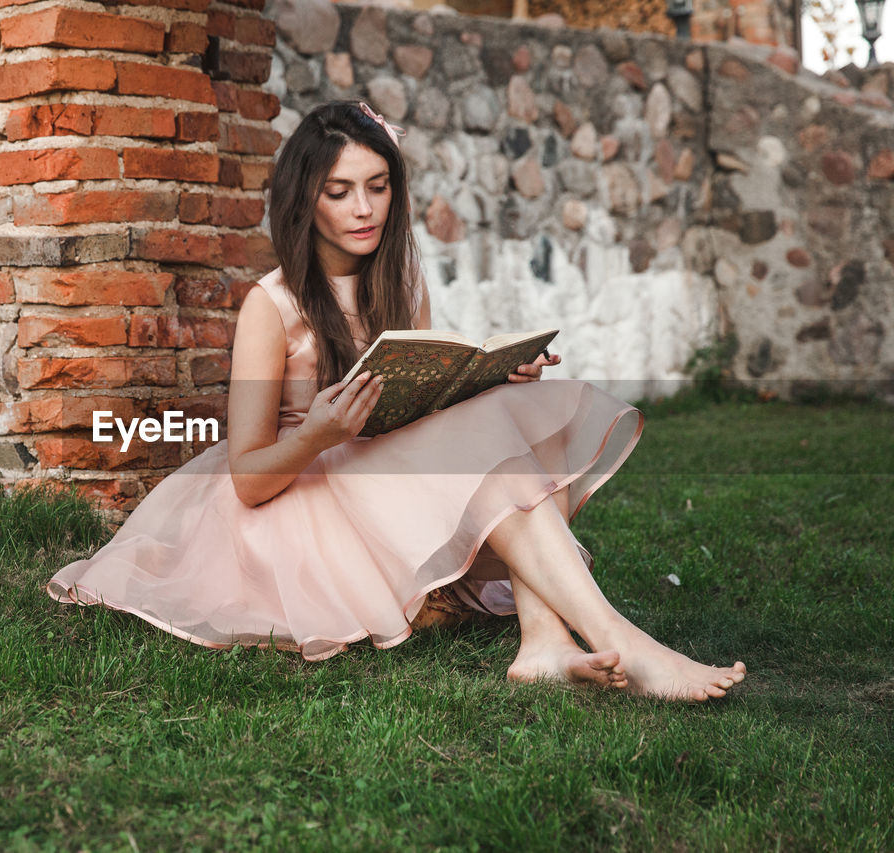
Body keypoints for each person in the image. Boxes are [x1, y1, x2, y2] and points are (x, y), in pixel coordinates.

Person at [47, 100, 747, 702]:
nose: (362, 208)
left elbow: (427, 409)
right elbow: (249, 477)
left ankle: (542, 641)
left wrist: (490, 379)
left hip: (382, 472)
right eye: (340, 191)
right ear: (305, 200)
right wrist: (320, 433)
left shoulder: (402, 283)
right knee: (489, 431)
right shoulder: (274, 306)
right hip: (300, 490)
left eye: (377, 187)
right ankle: (618, 637)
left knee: (520, 409)